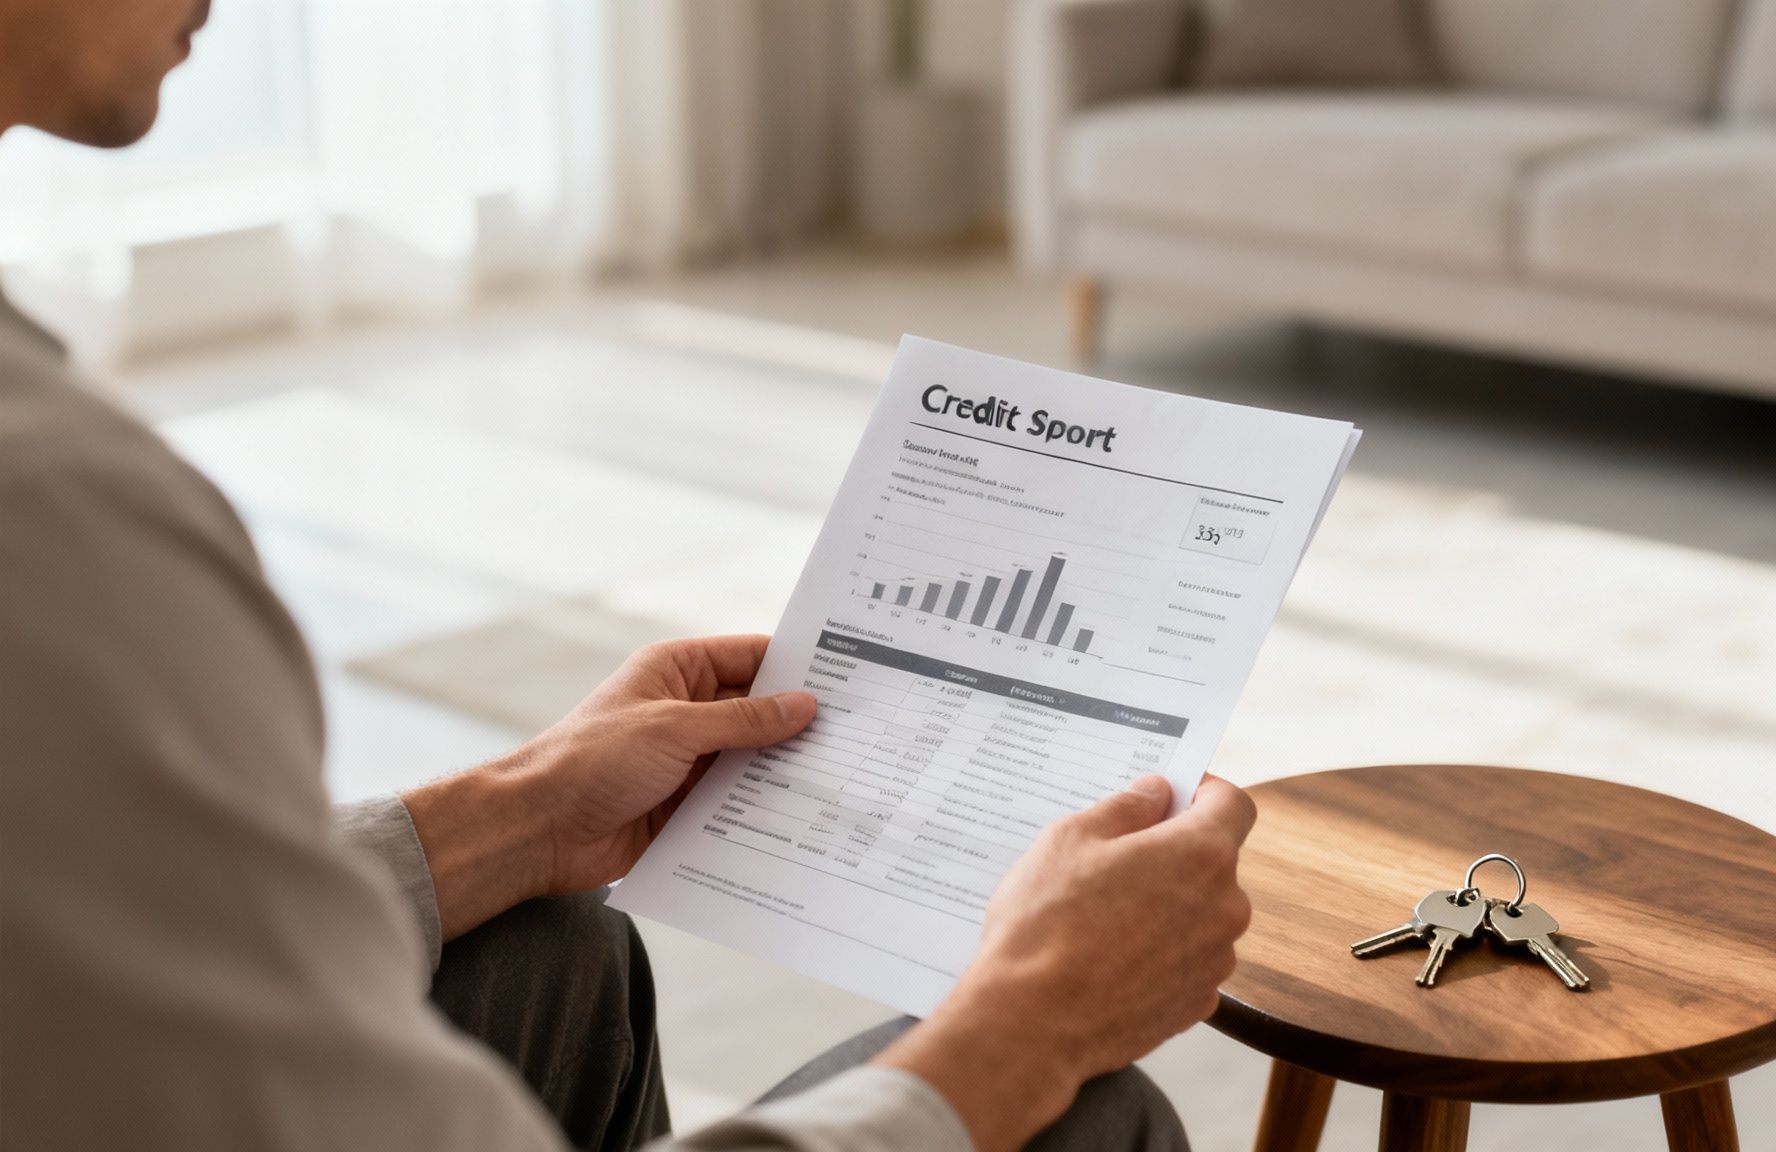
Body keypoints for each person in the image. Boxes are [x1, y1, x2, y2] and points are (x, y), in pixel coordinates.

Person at [0, 2, 1260, 1151]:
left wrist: (511, 809)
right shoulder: (61, 521)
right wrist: (1034, 1018)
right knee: (1087, 1113)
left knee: (548, 951)